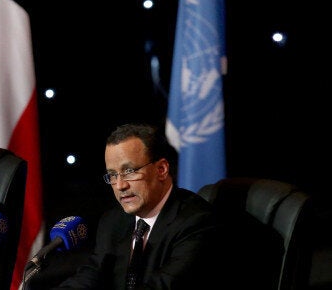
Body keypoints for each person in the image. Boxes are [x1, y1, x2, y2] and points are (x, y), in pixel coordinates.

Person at [54, 123, 229, 289]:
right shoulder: (113, 221)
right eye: (113, 175)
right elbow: (90, 277)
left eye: (129, 171)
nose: (120, 185)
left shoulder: (197, 222)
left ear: (161, 169)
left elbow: (163, 285)